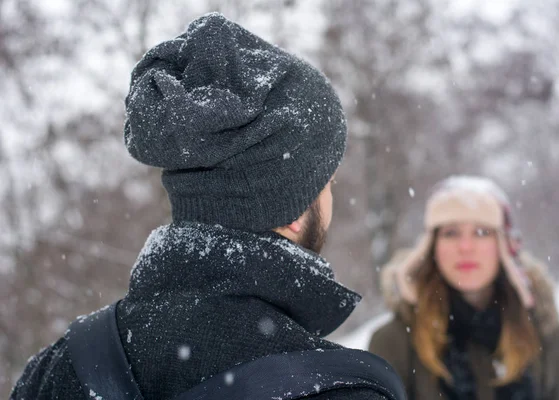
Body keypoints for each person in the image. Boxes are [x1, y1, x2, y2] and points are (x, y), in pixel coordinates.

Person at [10, 12, 401, 400]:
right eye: (327, 183)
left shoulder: (57, 370)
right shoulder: (336, 390)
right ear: (294, 212)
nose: (332, 196)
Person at [369, 175, 559, 400]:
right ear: (431, 246)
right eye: (451, 233)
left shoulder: (545, 334)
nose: (466, 247)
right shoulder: (395, 341)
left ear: (502, 245)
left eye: (482, 232)